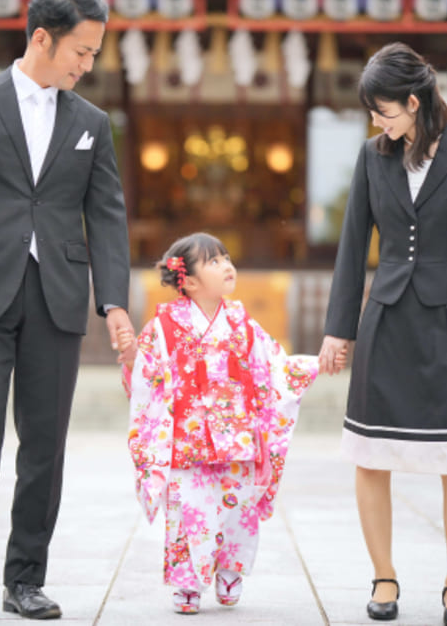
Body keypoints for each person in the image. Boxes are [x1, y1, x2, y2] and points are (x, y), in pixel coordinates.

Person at [0, 0, 135, 621]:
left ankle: (25, 580)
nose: (88, 64)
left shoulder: (92, 122)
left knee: (44, 442)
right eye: (82, 51)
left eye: (95, 54)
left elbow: (109, 214)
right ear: (42, 37)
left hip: (58, 297)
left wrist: (115, 301)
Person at [317, 42, 447, 626]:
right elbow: (353, 247)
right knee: (370, 455)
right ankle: (384, 577)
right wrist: (337, 330)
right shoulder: (373, 157)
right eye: (373, 112)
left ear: (415, 103)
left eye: (384, 110)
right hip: (387, 319)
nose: (377, 122)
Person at [119, 233, 330, 614]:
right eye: (214, 262)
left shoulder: (240, 320)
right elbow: (147, 376)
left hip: (236, 437)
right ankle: (187, 580)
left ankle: (230, 568)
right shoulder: (164, 325)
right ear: (190, 281)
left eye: (227, 258)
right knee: (189, 509)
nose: (227, 265)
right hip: (187, 438)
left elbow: (273, 365)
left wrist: (314, 363)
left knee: (237, 506)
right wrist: (134, 358)